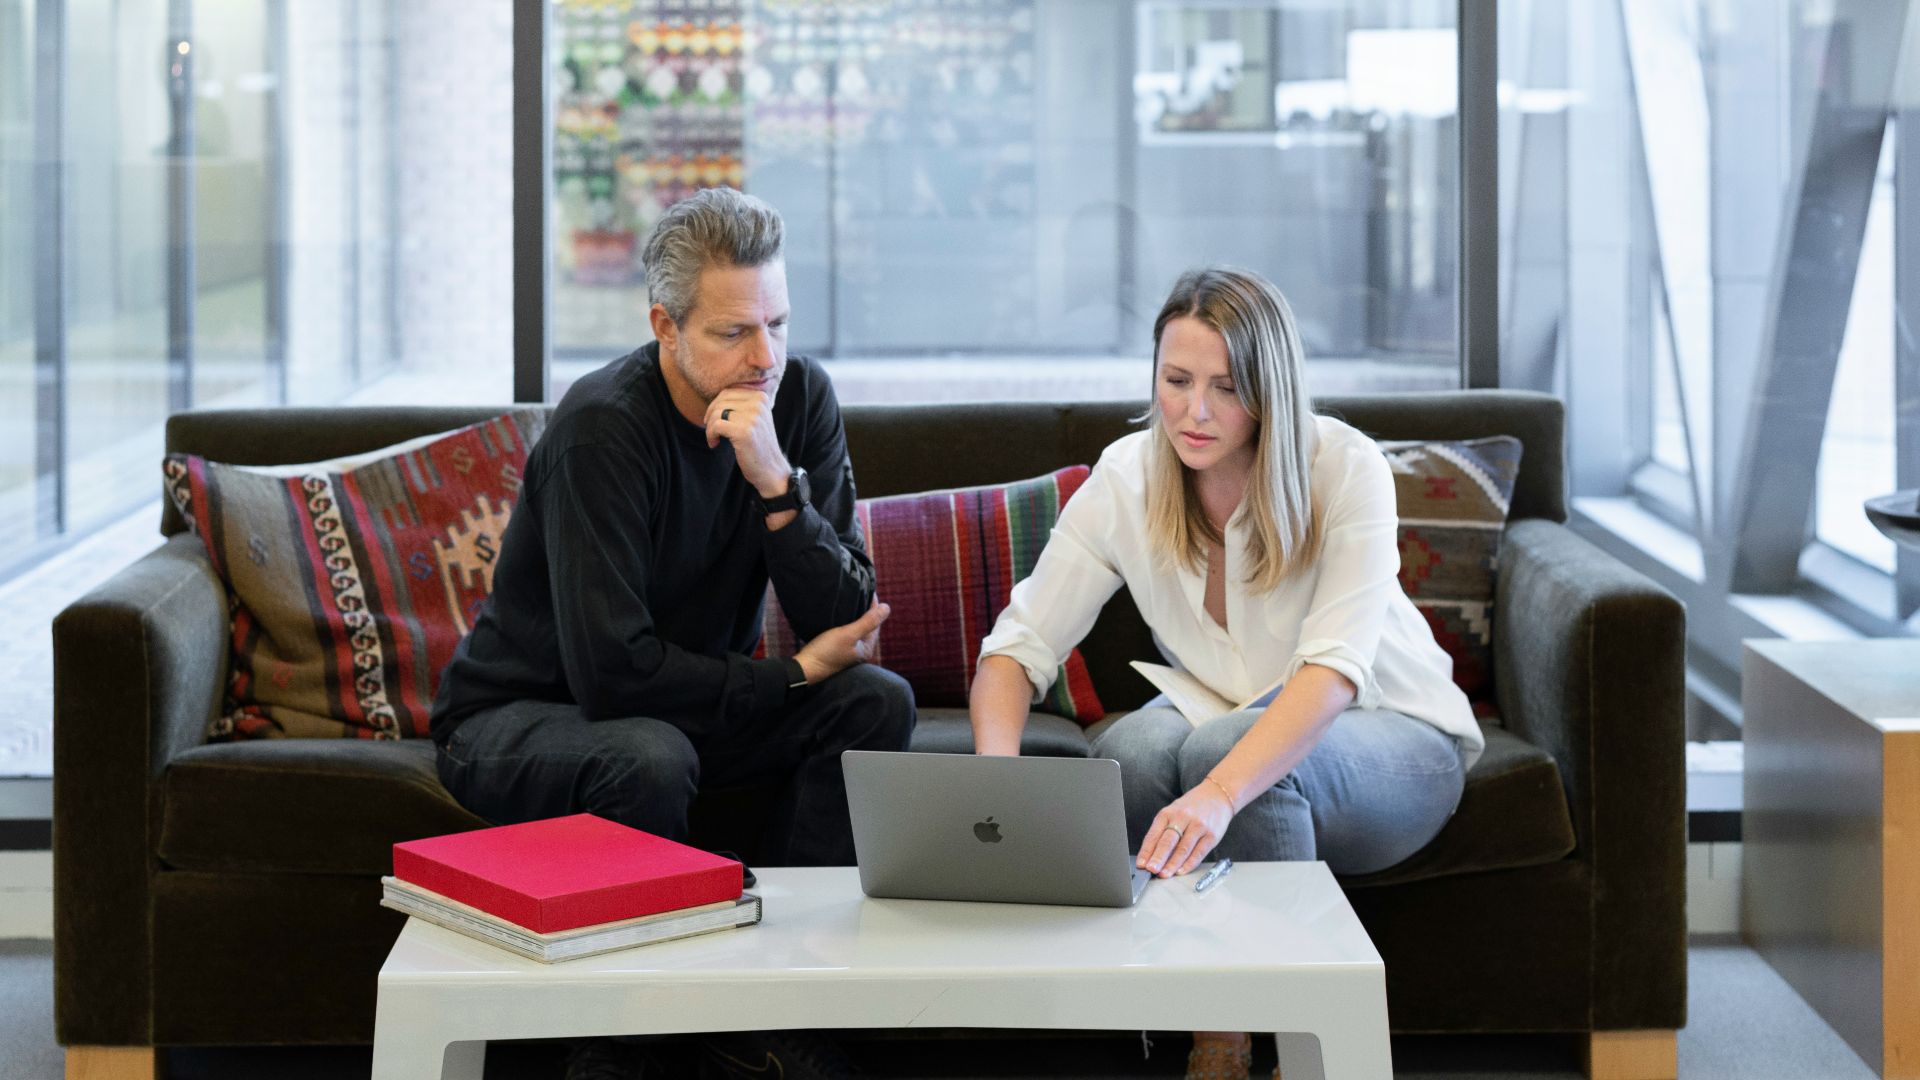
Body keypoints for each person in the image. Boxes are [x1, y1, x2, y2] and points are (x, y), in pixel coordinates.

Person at [431, 187, 914, 1080]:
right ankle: (621, 1047)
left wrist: (776, 485)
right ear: (665, 325)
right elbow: (613, 676)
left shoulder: (796, 397)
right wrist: (789, 679)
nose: (764, 355)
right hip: (519, 718)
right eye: (734, 333)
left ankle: (787, 1009)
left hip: (682, 712)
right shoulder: (602, 431)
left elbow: (844, 620)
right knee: (648, 758)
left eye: (777, 322)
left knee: (874, 706)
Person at [969, 267, 1483, 1080]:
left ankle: (1293, 1049)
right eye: (1176, 382)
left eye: (1224, 387)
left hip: (1401, 736)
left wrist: (1218, 793)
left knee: (1222, 756)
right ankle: (1204, 1030)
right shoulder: (1129, 477)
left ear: (1270, 390)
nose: (1193, 411)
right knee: (1128, 756)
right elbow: (1015, 649)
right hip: (1228, 711)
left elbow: (1334, 673)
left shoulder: (1344, 468)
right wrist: (994, 786)